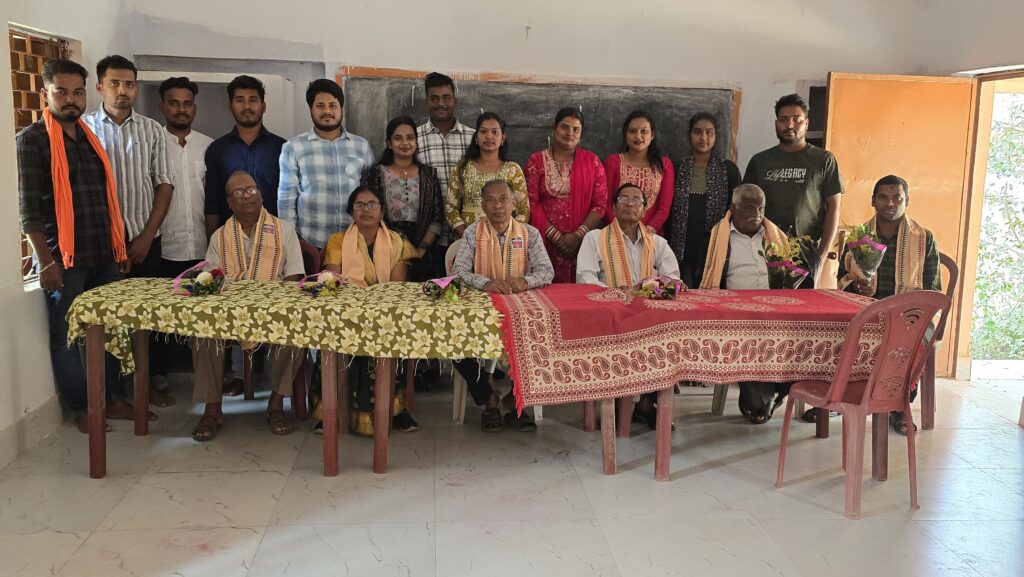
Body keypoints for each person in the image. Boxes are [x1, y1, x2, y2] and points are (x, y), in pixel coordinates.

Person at [18, 59, 152, 433]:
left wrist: (118, 249)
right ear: (45, 94)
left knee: (111, 327)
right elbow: (28, 211)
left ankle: (115, 399)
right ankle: (83, 409)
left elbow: (104, 199)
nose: (71, 99)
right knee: (67, 336)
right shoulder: (32, 140)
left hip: (103, 253)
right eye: (61, 92)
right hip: (64, 257)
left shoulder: (89, 136)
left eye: (77, 92)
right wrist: (46, 262)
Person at [191, 171, 306, 442]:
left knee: (297, 331)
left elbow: (294, 277)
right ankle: (212, 409)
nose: (247, 196)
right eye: (239, 193)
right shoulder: (219, 237)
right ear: (229, 202)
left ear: (261, 195)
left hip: (274, 308)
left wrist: (274, 307)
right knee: (202, 332)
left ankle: (276, 404)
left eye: (252, 190)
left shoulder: (283, 230)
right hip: (228, 312)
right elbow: (211, 279)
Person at [700, 184, 816, 423]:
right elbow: (702, 283)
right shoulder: (714, 240)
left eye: (760, 208)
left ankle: (773, 393)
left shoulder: (780, 238)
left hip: (779, 313)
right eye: (749, 207)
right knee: (747, 338)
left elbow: (804, 278)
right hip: (735, 317)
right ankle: (767, 395)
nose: (756, 213)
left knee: (810, 339)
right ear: (733, 208)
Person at [839, 174, 941, 434]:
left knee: (908, 338)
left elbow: (933, 290)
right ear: (873, 201)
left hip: (910, 315)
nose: (890, 203)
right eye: (883, 197)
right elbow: (842, 279)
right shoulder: (858, 236)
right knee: (836, 330)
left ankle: (898, 407)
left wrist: (910, 314)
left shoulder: (923, 238)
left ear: (907, 201)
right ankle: (839, 397)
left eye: (897, 197)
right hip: (865, 311)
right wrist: (857, 287)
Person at [452, 180, 554, 432]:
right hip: (480, 306)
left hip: (520, 306)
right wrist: (485, 283)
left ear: (514, 203)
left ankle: (515, 399)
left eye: (503, 199)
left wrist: (524, 281)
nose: (497, 206)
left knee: (542, 335)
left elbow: (546, 271)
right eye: (490, 200)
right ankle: (488, 397)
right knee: (453, 340)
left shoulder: (529, 233)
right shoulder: (472, 232)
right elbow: (458, 272)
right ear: (483, 205)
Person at [318, 186, 420, 436]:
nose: (366, 210)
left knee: (391, 332)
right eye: (359, 205)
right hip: (348, 309)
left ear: (382, 211)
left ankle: (396, 410)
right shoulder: (338, 240)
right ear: (351, 212)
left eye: (372, 204)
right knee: (329, 333)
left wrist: (374, 308)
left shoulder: (398, 242)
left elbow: (397, 286)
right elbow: (332, 279)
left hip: (385, 311)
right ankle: (330, 411)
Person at [577, 183, 680, 429]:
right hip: (608, 314)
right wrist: (620, 295)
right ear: (613, 207)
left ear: (644, 210)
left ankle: (646, 403)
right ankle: (614, 402)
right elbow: (585, 279)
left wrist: (643, 292)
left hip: (648, 316)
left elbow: (673, 281)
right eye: (623, 199)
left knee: (666, 333)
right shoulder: (595, 238)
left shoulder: (657, 243)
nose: (630, 204)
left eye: (636, 200)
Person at [150, 76, 214, 404]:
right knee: (161, 315)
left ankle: (210, 375)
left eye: (187, 103)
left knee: (205, 315)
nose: (181, 109)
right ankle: (157, 373)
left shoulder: (208, 146)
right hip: (164, 245)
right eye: (174, 103)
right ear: (162, 107)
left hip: (203, 246)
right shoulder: (152, 143)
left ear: (195, 108)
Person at [82, 55, 173, 278]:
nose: (122, 90)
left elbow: (164, 184)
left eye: (129, 84)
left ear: (136, 89)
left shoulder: (152, 129)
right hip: (99, 243)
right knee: (104, 300)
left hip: (144, 241)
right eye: (114, 83)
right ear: (99, 87)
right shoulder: (83, 128)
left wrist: (147, 237)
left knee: (148, 299)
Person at [743, 93, 843, 286]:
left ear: (806, 123)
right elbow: (746, 208)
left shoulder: (824, 160)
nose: (790, 125)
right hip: (764, 253)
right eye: (783, 119)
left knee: (802, 306)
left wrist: (820, 257)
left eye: (797, 119)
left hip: (806, 256)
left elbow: (834, 207)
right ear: (776, 124)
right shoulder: (760, 161)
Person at [279, 79, 374, 250]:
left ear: (341, 108)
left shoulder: (361, 146)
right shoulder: (293, 147)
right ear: (311, 109)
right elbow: (286, 199)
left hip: (354, 241)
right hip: (311, 243)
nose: (327, 111)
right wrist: (291, 241)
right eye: (320, 106)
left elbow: (371, 192)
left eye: (333, 105)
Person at [526, 107, 608, 284]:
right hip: (545, 242)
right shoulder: (536, 161)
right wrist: (556, 237)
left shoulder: (592, 162)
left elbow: (600, 204)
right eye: (564, 127)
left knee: (583, 292)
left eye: (576, 129)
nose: (570, 133)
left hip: (583, 243)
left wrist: (578, 235)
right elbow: (531, 203)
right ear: (554, 128)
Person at [363, 116, 444, 281]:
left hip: (425, 252)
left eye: (410, 138)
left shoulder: (429, 174)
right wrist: (397, 249)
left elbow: (437, 218)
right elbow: (372, 213)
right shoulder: (376, 174)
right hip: (387, 249)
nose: (405, 143)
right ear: (389, 143)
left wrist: (421, 249)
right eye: (398, 138)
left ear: (416, 142)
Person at [204, 75, 286, 236]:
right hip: (230, 238)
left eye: (253, 100)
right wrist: (214, 244)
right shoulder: (217, 150)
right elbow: (212, 204)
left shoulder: (282, 148)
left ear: (263, 106)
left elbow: (290, 201)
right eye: (240, 100)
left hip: (275, 237)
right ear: (230, 106)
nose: (247, 106)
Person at [667, 112, 741, 287]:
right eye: (698, 132)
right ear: (689, 135)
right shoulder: (677, 167)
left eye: (709, 132)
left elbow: (736, 210)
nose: (703, 138)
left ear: (716, 136)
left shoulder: (728, 169)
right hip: (680, 246)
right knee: (683, 292)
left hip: (714, 245)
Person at [447, 112, 530, 236]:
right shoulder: (462, 167)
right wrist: (466, 236)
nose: (489, 136)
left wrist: (506, 237)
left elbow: (524, 211)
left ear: (503, 138)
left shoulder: (513, 170)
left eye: (495, 132)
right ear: (476, 137)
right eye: (483, 131)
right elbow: (450, 207)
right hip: (466, 238)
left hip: (505, 240)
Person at [603, 111, 673, 235]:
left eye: (644, 131)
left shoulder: (664, 165)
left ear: (652, 135)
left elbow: (664, 207)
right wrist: (620, 231)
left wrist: (647, 232)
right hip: (616, 234)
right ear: (625, 134)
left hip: (651, 236)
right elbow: (606, 202)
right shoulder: (613, 162)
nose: (638, 136)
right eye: (632, 131)